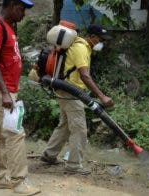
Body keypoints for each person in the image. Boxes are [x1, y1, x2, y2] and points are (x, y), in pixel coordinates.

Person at [40, 24, 114, 175]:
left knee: (65, 125)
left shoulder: (83, 47)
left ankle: (49, 155)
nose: (102, 43)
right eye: (101, 39)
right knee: (79, 129)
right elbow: (84, 75)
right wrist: (102, 96)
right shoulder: (81, 48)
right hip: (70, 92)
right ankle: (74, 165)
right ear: (92, 37)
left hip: (67, 90)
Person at [0, 0, 40, 195]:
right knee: (16, 134)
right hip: (1, 92)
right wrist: (6, 92)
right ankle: (19, 182)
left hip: (4, 90)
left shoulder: (7, 27)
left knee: (0, 134)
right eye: (22, 9)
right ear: (12, 5)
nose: (24, 13)